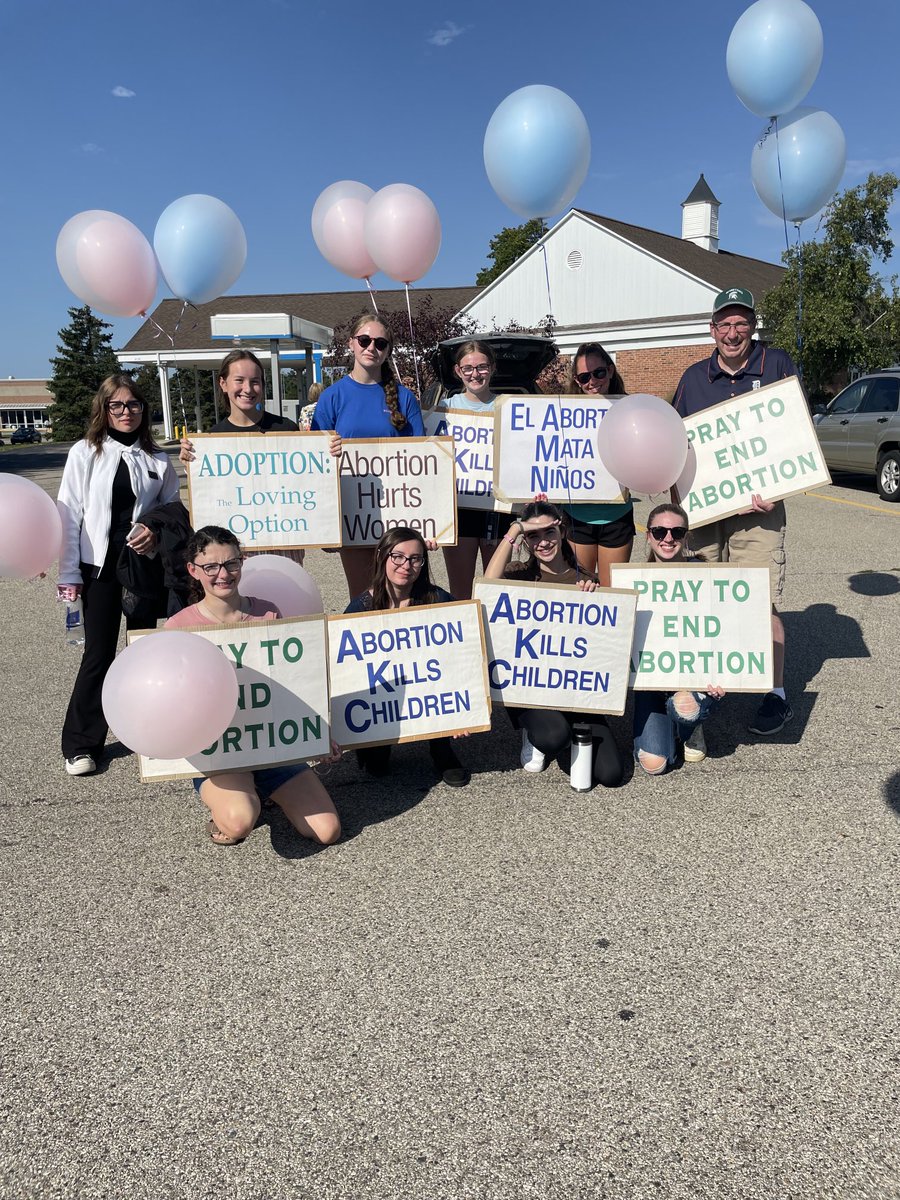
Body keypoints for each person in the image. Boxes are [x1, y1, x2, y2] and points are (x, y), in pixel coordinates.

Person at [165, 526, 341, 847]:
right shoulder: (179, 628)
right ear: (193, 570)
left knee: (327, 831)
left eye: (232, 564)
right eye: (211, 567)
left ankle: (261, 790)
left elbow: (296, 682)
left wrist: (319, 732)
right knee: (238, 823)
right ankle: (231, 804)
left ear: (242, 563)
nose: (223, 574)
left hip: (272, 746)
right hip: (219, 754)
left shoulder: (267, 613)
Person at [672, 287, 797, 735]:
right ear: (712, 329)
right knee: (703, 599)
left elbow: (792, 435)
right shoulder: (692, 377)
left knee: (761, 599)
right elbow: (673, 445)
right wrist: (678, 506)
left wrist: (780, 485)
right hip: (705, 513)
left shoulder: (777, 364)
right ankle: (706, 689)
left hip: (759, 510)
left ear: (752, 327)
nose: (732, 332)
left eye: (741, 323)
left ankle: (775, 694)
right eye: (724, 323)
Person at [57, 374, 180, 776]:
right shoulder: (85, 453)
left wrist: (154, 532)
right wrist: (69, 573)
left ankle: (147, 733)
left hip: (143, 568)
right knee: (99, 655)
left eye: (134, 405)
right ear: (104, 409)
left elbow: (174, 510)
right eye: (117, 406)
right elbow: (69, 514)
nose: (126, 412)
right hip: (100, 570)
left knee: (144, 651)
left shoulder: (158, 459)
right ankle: (81, 743)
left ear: (144, 411)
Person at [483, 500, 624, 787]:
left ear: (562, 532)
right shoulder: (518, 575)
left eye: (549, 532)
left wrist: (593, 601)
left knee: (610, 775)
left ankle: (565, 723)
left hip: (573, 686)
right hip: (530, 687)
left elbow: (605, 644)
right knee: (552, 738)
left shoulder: (585, 580)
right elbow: (487, 583)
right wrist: (516, 527)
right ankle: (533, 728)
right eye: (533, 536)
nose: (543, 542)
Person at [344, 526, 470, 787]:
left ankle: (440, 747)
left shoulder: (438, 598)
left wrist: (463, 711)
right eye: (398, 556)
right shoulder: (361, 607)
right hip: (383, 693)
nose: (406, 565)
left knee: (439, 681)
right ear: (382, 556)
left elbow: (463, 652)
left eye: (415, 558)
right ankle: (378, 743)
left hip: (428, 686)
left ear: (422, 563)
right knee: (376, 765)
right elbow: (343, 666)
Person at [312, 314, 425, 598]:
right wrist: (325, 522)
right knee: (362, 596)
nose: (371, 347)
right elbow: (315, 462)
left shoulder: (405, 397)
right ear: (351, 343)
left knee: (403, 594)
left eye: (380, 342)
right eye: (364, 340)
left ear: (388, 350)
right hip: (354, 513)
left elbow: (423, 460)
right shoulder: (331, 397)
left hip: (398, 512)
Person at [632, 503, 725, 775]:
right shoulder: (634, 580)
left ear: (687, 536)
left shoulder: (708, 575)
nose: (668, 538)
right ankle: (672, 721)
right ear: (648, 536)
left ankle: (690, 724)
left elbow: (727, 630)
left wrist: (730, 674)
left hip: (694, 678)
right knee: (654, 764)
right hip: (652, 681)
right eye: (659, 531)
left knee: (685, 707)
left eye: (677, 531)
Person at [436, 340, 516, 599]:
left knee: (495, 589)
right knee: (460, 592)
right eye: (468, 368)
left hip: (498, 508)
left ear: (492, 369)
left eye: (481, 367)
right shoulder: (444, 409)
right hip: (459, 510)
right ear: (458, 371)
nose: (475, 374)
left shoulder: (510, 408)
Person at [563, 342, 635, 587]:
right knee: (580, 594)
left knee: (611, 596)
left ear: (611, 370)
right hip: (576, 516)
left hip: (617, 515)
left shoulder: (630, 408)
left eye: (598, 373)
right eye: (584, 376)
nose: (592, 381)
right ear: (577, 380)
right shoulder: (563, 413)